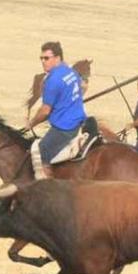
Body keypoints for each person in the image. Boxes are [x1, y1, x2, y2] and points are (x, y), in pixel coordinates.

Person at [26, 42, 87, 178]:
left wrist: (31, 123)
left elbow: (45, 110)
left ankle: (46, 189)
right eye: (41, 58)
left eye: (46, 58)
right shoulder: (70, 71)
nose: (43, 61)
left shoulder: (53, 80)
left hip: (64, 127)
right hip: (79, 120)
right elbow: (83, 86)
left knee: (39, 156)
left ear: (57, 58)